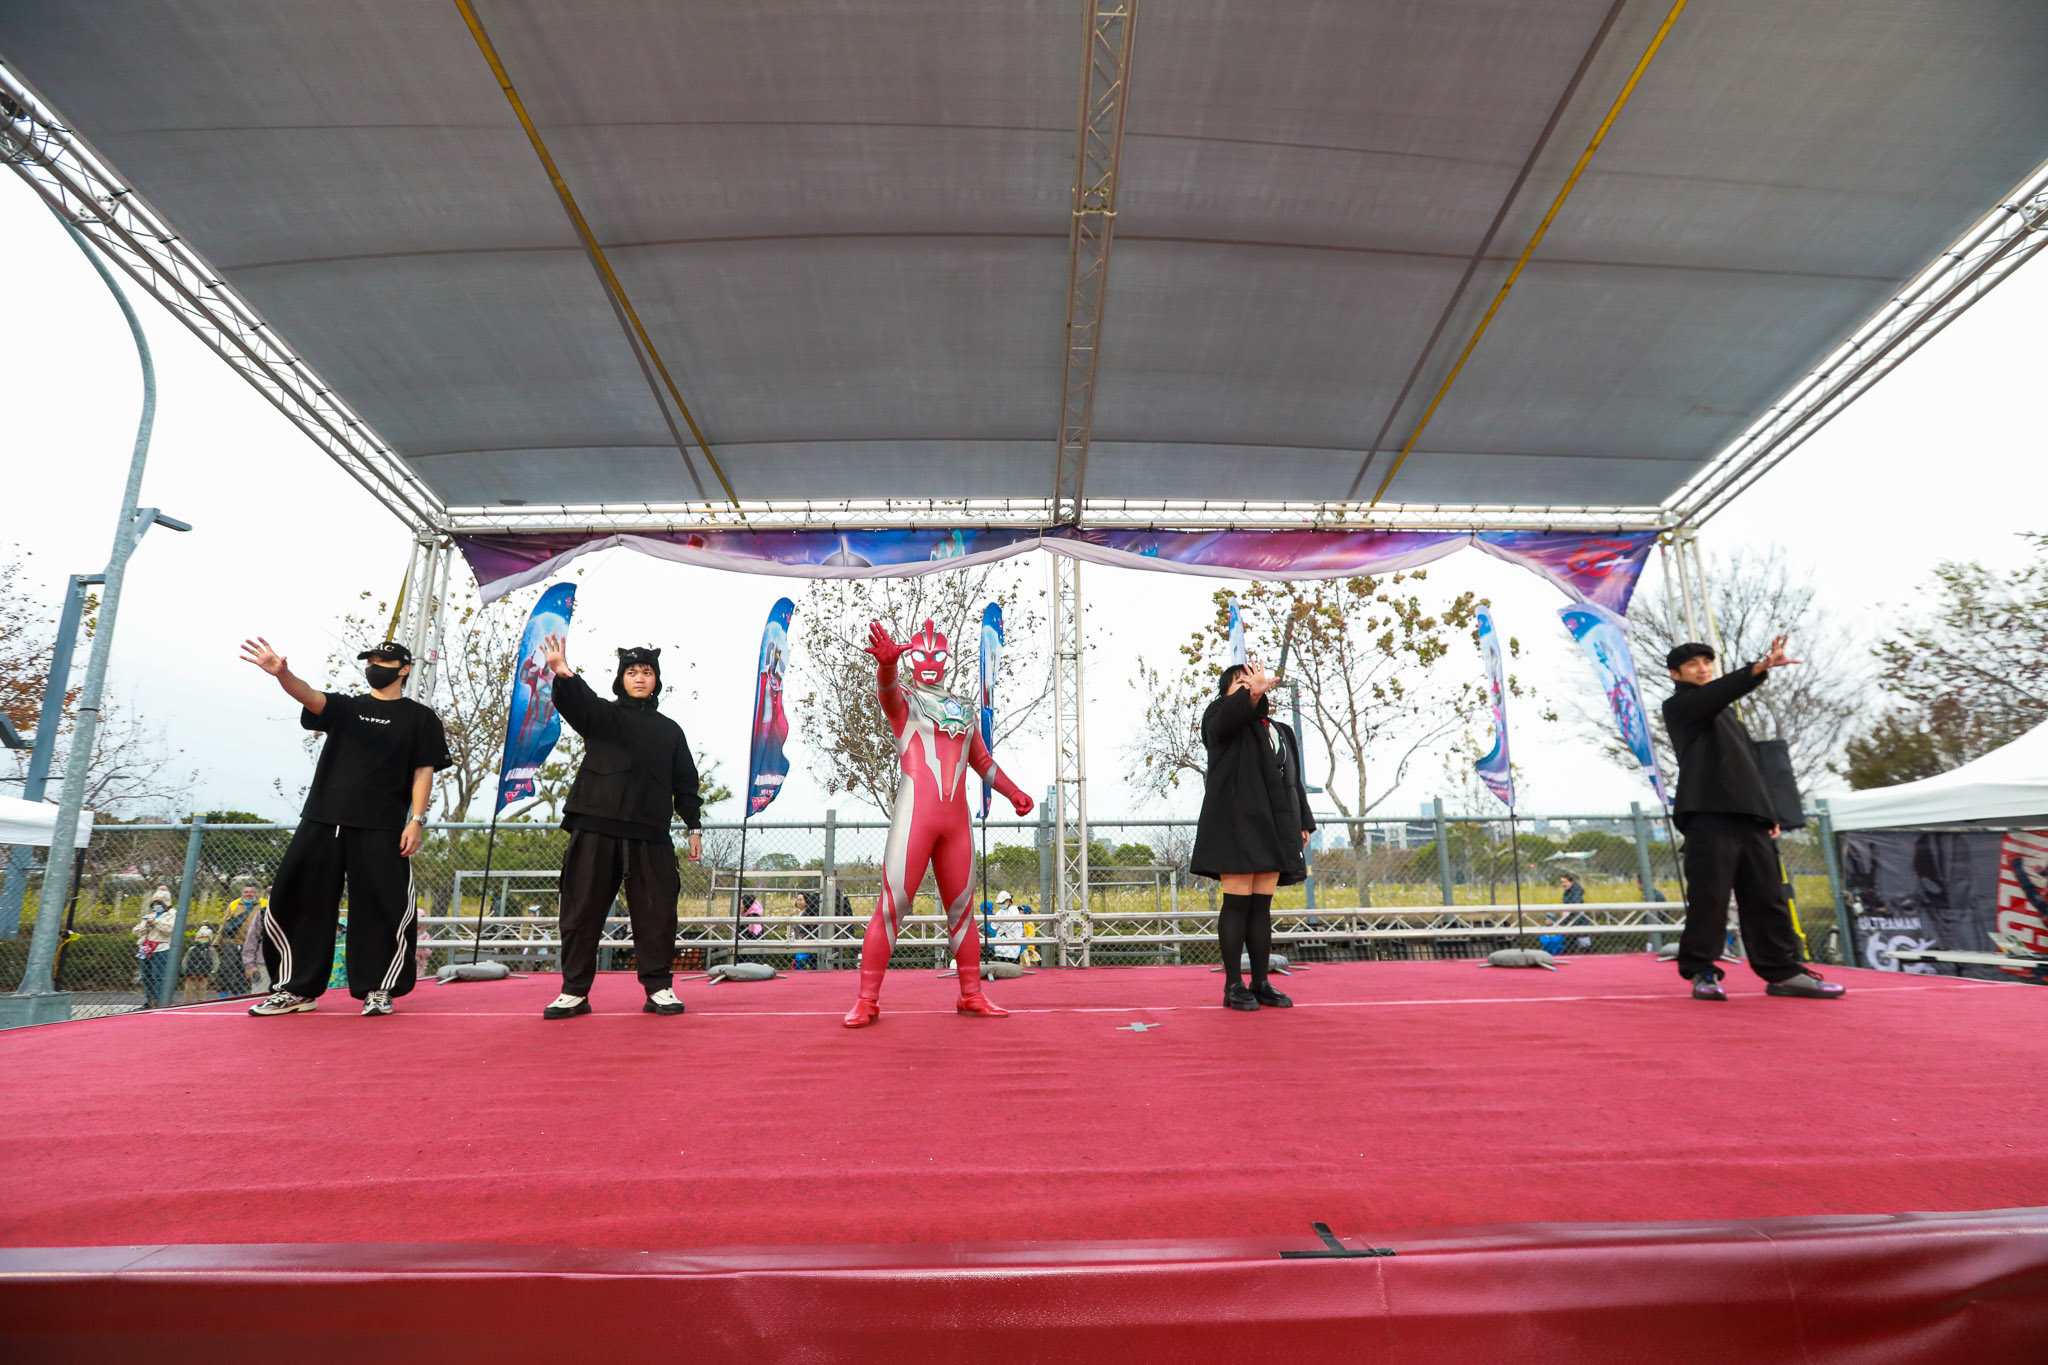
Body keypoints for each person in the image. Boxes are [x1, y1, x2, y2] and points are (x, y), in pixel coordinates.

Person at [238, 637, 452, 1017]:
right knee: (297, 899)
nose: (374, 666)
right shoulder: (346, 707)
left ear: (404, 669)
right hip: (322, 820)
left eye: (382, 661)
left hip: (382, 827)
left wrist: (416, 821)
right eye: (370, 661)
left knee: (383, 907)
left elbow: (424, 772)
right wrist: (283, 674)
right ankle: (296, 989)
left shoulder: (421, 718)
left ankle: (378, 989)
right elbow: (309, 695)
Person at [843, 619, 1034, 1027]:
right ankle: (867, 999)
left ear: (948, 658)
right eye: (920, 654)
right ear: (911, 657)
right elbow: (887, 693)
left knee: (962, 910)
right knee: (892, 905)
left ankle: (971, 993)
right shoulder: (907, 700)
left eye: (938, 654)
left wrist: (1013, 791)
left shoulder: (964, 708)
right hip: (915, 816)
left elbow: (981, 760)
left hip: (955, 822)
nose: (929, 661)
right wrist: (887, 666)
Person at [1663, 637, 1843, 1002]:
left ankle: (1783, 972)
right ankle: (1702, 971)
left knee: (1767, 898)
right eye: (1693, 664)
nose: (1703, 668)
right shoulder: (1680, 706)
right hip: (1708, 816)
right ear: (1675, 674)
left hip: (1752, 817)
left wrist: (1769, 812)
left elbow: (1751, 766)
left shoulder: (1729, 716)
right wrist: (1759, 668)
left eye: (1707, 662)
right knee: (1710, 898)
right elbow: (1714, 695)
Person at [536, 637, 702, 1020]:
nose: (639, 678)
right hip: (595, 827)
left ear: (656, 680)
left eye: (647, 672)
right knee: (581, 911)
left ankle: (658, 988)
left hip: (651, 834)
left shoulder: (670, 731)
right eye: (632, 672)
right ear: (621, 679)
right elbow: (577, 703)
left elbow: (686, 782)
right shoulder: (602, 716)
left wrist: (693, 825)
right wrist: (563, 671)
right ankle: (574, 991)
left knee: (657, 914)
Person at [1190, 658, 1315, 1011]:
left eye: (1252, 683)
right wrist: (1250, 696)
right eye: (1240, 685)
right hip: (1235, 825)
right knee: (1237, 902)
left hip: (1273, 826)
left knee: (1261, 906)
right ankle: (1233, 985)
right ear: (1225, 694)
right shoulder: (1218, 719)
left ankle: (1261, 982)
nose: (1249, 688)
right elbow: (1229, 717)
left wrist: (1302, 821)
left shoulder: (1279, 730)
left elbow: (1292, 781)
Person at [133, 886, 176, 1008]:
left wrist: (156, 922)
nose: (156, 906)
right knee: (146, 977)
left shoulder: (172, 915)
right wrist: (146, 925)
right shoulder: (150, 915)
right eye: (155, 903)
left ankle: (160, 1001)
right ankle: (149, 1001)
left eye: (159, 903)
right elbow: (136, 930)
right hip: (146, 947)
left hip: (161, 947)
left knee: (159, 976)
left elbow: (170, 930)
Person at [239, 890, 273, 995]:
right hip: (264, 963)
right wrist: (249, 965)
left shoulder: (299, 914)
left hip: (291, 964)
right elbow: (251, 940)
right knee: (260, 996)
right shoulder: (263, 913)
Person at [990, 890, 1026, 964]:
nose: (1002, 905)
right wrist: (999, 922)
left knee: (1011, 964)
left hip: (1012, 945)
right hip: (1000, 944)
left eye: (1003, 903)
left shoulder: (1015, 910)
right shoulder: (999, 912)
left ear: (1009, 901)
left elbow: (1014, 926)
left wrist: (1003, 922)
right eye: (1000, 903)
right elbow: (993, 926)